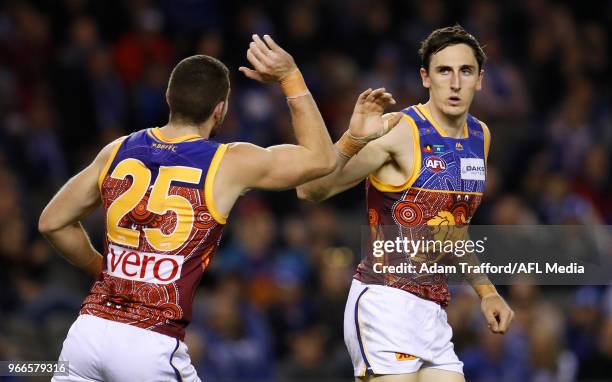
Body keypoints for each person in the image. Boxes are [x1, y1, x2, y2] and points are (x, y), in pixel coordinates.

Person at [39, 34, 397, 382]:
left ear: (169, 97)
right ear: (220, 109)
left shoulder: (116, 150)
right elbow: (320, 160)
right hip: (149, 343)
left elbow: (53, 222)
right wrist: (290, 77)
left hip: (86, 336)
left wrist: (101, 268)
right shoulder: (228, 162)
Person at [297, 25, 515, 382]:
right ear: (425, 78)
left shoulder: (480, 136)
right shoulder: (401, 130)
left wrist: (487, 292)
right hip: (385, 303)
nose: (455, 83)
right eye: (444, 71)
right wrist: (352, 139)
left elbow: (454, 229)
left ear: (480, 80)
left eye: (466, 71)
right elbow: (310, 190)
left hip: (433, 312)